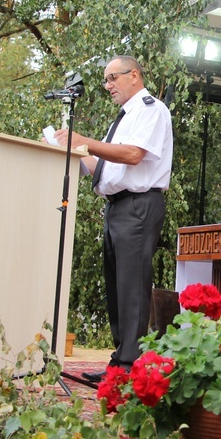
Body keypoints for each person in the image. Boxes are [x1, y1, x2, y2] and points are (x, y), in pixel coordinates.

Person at [51, 55, 173, 382]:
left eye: (112, 78)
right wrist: (69, 152)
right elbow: (103, 167)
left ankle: (130, 369)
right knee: (117, 288)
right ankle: (119, 362)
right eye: (106, 80)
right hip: (117, 206)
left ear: (134, 75)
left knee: (132, 287)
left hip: (138, 204)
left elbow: (134, 155)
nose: (108, 86)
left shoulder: (151, 109)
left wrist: (85, 141)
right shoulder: (123, 118)